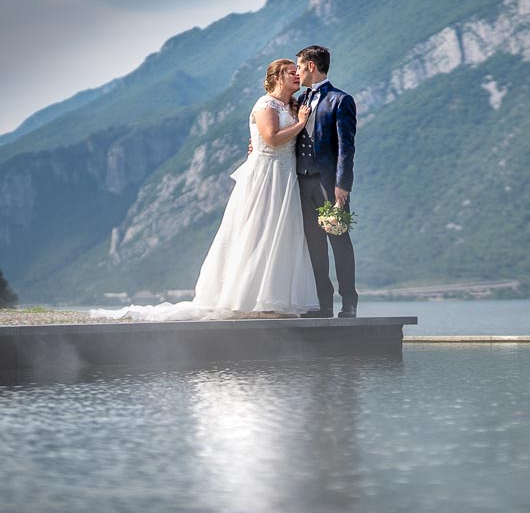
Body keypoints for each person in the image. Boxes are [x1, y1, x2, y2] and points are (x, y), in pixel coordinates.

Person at [96, 60, 319, 320]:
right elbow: (271, 138)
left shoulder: (291, 105)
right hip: (266, 176)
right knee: (258, 231)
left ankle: (272, 299)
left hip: (285, 175)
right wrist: (301, 123)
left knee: (281, 233)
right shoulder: (265, 104)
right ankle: (248, 299)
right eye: (291, 73)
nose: (296, 76)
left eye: (296, 72)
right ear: (278, 77)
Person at [293, 44, 357, 317]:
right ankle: (324, 305)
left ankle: (349, 303)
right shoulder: (300, 100)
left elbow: (346, 147)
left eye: (298, 66)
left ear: (311, 66)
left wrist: (343, 185)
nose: (296, 72)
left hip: (329, 184)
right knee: (314, 245)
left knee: (338, 241)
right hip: (302, 180)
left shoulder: (340, 101)